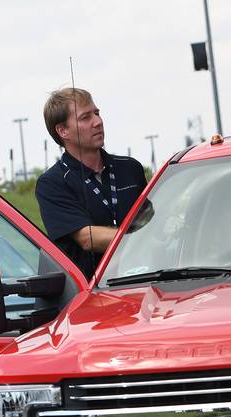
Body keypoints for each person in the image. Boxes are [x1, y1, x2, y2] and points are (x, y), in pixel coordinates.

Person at [35, 87, 148, 280]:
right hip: (91, 295)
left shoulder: (130, 168)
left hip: (142, 284)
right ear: (63, 131)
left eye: (97, 113)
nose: (98, 122)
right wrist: (144, 239)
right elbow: (87, 238)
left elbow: (152, 221)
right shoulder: (51, 184)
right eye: (85, 118)